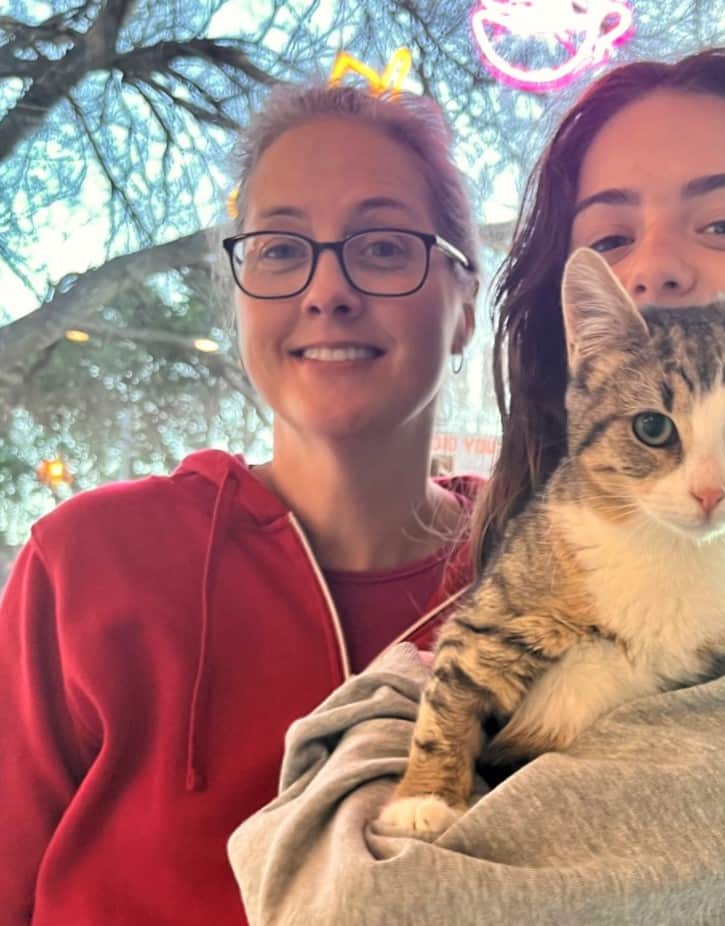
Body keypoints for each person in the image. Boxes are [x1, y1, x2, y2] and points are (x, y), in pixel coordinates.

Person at [227, 49, 725, 925]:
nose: (654, 267)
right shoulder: (548, 540)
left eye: (724, 224)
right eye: (610, 237)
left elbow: (355, 907)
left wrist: (389, 704)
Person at [0, 82, 482, 925]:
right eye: (280, 249)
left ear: (465, 303)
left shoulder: (544, 572)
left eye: (379, 247)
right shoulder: (89, 562)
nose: (325, 291)